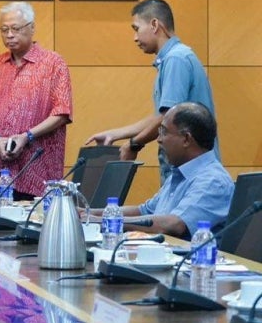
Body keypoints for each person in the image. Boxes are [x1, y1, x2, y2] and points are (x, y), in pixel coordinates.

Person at [85, 0, 219, 183]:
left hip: (191, 173)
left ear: (155, 25)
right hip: (186, 171)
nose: (135, 38)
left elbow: (166, 119)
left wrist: (134, 144)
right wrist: (116, 134)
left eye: (136, 29)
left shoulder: (176, 59)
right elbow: (162, 114)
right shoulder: (174, 58)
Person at [0, 1, 73, 199]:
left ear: (32, 28)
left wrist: (27, 136)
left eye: (16, 29)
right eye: (4, 30)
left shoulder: (53, 63)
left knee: (34, 222)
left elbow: (62, 112)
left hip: (38, 166)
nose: (9, 35)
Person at [88, 102, 232, 240]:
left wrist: (101, 221)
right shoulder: (180, 173)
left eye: (164, 132)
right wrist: (88, 214)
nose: (159, 139)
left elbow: (174, 224)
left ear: (186, 139)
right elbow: (143, 211)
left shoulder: (213, 180)